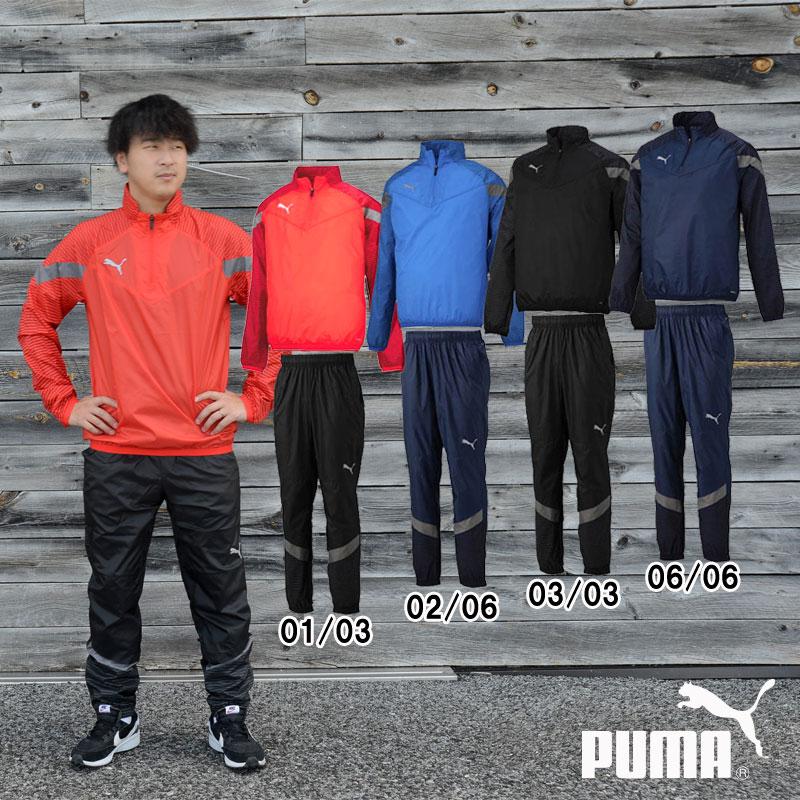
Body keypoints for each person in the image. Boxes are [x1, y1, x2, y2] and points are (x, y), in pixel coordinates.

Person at [17, 94, 282, 770]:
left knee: (220, 588)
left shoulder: (223, 242)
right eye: (153, 146)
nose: (169, 159)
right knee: (112, 589)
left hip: (202, 453)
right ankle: (115, 715)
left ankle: (229, 717)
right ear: (122, 159)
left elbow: (278, 318)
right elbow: (36, 319)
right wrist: (65, 402)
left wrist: (252, 398)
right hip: (118, 452)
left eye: (178, 147)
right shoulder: (90, 244)